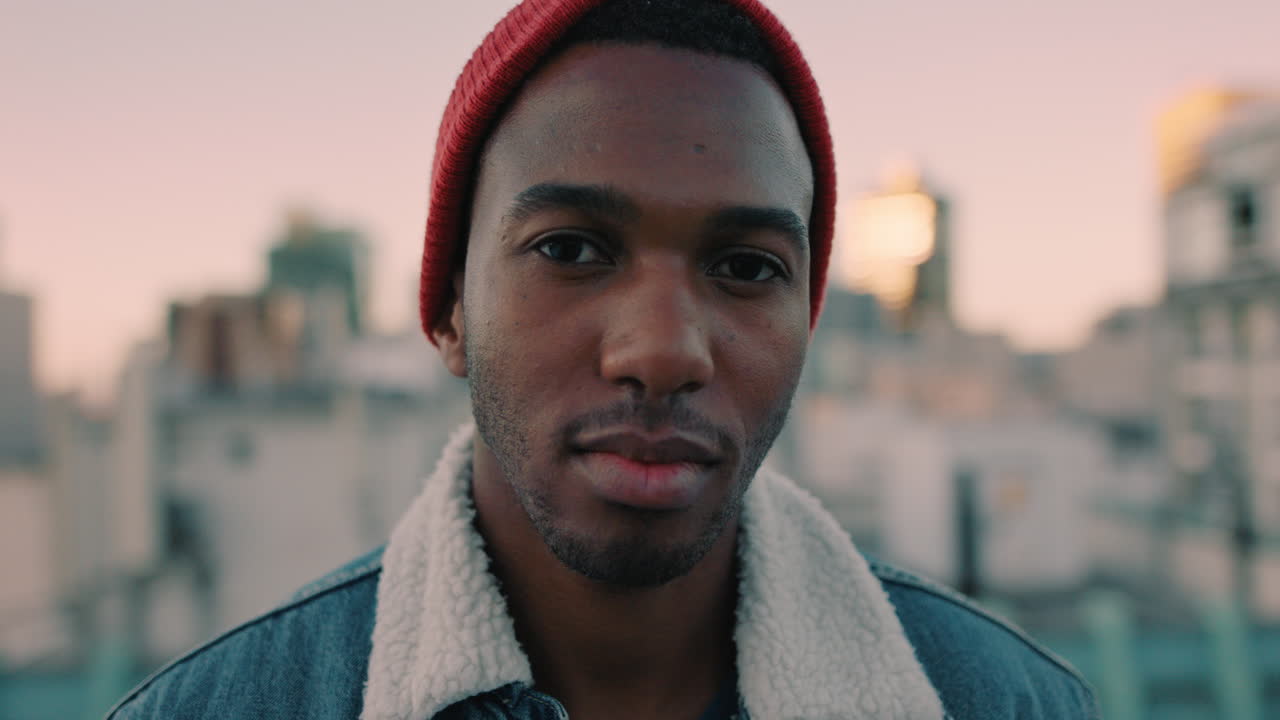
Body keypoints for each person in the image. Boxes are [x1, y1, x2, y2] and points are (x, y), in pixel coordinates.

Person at [107, 0, 1100, 718]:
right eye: (572, 250)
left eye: (746, 267)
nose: (662, 350)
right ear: (448, 309)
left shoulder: (1005, 702)